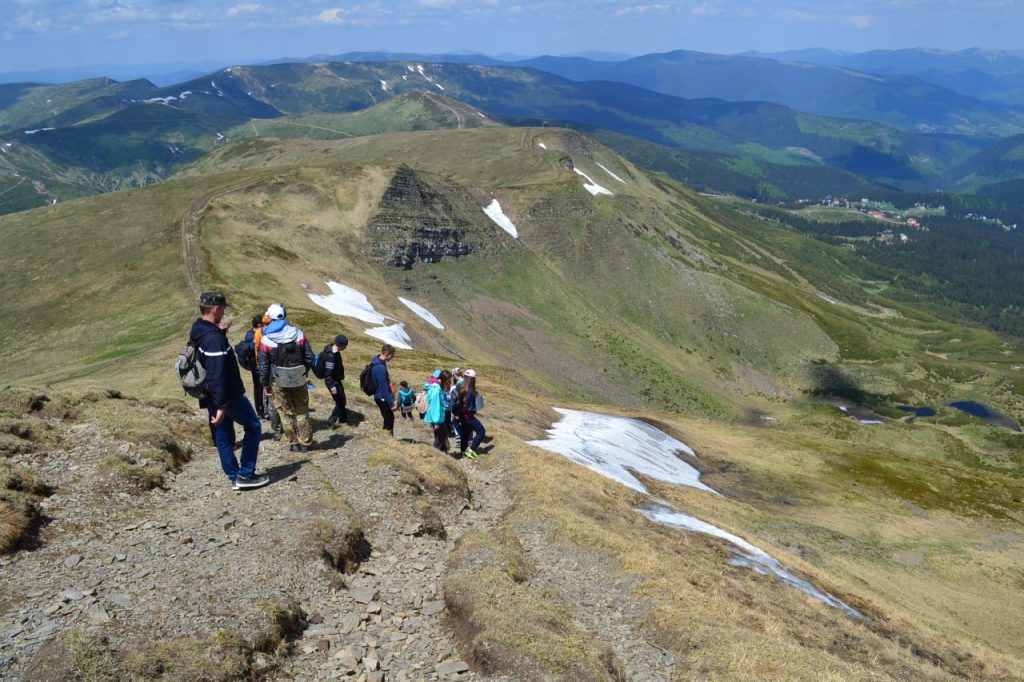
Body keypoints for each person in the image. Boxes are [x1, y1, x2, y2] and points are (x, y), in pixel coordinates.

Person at [189, 292, 268, 490]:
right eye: (223, 307)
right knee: (253, 427)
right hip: (226, 395)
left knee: (222, 434)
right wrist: (222, 406)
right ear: (216, 308)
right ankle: (245, 475)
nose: (224, 311)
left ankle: (234, 476)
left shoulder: (198, 329)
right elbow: (218, 374)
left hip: (211, 394)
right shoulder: (214, 339)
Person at [258, 303, 316, 452]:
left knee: (285, 412)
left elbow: (264, 367)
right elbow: (309, 357)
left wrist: (266, 384)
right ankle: (305, 442)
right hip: (299, 378)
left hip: (278, 380)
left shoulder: (266, 340)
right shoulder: (298, 334)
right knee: (302, 410)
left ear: (269, 318)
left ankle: (293, 442)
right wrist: (304, 372)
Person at [457, 369, 486, 459]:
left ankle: (462, 451)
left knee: (465, 434)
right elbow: (468, 407)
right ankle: (471, 450)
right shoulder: (470, 391)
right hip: (468, 416)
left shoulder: (461, 388)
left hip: (461, 416)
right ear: (473, 379)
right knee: (481, 431)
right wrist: (473, 411)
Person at [369, 344, 396, 436]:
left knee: (387, 417)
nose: (393, 357)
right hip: (381, 397)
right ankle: (387, 437)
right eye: (392, 355)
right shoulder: (381, 368)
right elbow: (383, 389)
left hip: (378, 395)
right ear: (387, 354)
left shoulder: (377, 361)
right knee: (389, 418)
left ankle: (385, 435)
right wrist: (391, 404)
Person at [322, 334, 348, 426]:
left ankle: (343, 419)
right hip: (333, 382)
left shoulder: (335, 351)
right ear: (341, 345)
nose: (346, 347)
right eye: (345, 345)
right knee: (341, 402)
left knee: (342, 400)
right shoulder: (331, 356)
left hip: (337, 380)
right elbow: (328, 374)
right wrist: (332, 386)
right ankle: (330, 422)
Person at [244, 314, 267, 420]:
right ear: (259, 325)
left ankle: (263, 409)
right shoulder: (251, 335)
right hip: (256, 366)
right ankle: (260, 410)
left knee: (263, 387)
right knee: (259, 388)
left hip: (261, 365)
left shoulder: (250, 334)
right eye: (263, 324)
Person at [422, 370, 451, 451]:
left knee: (439, 435)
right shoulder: (436, 392)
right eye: (448, 381)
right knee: (443, 434)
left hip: (439, 417)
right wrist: (435, 422)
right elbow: (434, 407)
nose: (449, 383)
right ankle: (435, 451)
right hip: (437, 418)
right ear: (443, 380)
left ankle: (441, 450)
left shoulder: (439, 389)